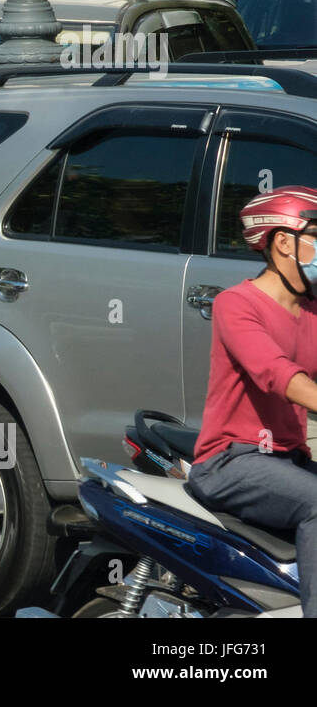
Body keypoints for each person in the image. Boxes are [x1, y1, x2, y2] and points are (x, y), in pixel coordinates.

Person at [186, 187, 317, 617]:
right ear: (283, 241)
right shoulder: (236, 305)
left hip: (288, 460)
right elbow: (276, 373)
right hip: (231, 461)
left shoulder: (312, 312)